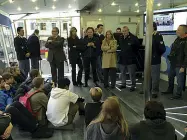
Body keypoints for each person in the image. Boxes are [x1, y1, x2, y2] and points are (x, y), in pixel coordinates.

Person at [139, 22, 166, 98]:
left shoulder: (157, 35)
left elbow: (162, 48)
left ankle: (154, 91)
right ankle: (147, 89)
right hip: (147, 59)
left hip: (155, 59)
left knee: (155, 77)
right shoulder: (147, 36)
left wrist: (156, 55)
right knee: (147, 76)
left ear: (153, 27)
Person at [162, 25, 187, 100]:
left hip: (180, 65)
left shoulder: (186, 42)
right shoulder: (177, 39)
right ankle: (170, 90)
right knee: (170, 77)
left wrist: (183, 67)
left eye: (179, 30)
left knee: (180, 80)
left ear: (184, 32)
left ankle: (178, 94)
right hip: (173, 63)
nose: (177, 31)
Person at [118, 26, 140, 92]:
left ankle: (133, 85)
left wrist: (132, 54)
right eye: (123, 31)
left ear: (128, 30)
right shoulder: (121, 37)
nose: (124, 32)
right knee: (123, 72)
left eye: (125, 31)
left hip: (131, 59)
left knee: (132, 74)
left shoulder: (133, 38)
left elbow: (137, 47)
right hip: (122, 59)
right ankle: (123, 84)